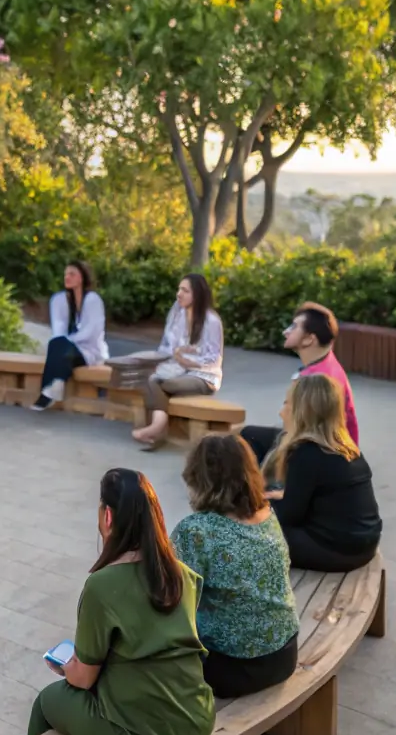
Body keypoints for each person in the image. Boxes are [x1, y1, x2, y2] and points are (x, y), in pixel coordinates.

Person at [28, 468, 215, 735]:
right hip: (198, 718)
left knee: (47, 701)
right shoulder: (181, 574)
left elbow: (84, 678)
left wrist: (67, 667)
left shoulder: (102, 586)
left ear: (109, 517)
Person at [171, 434, 299, 697]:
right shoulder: (266, 514)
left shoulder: (196, 531)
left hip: (232, 668)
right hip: (284, 654)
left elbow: (168, 601)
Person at [264, 374, 381, 572]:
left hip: (336, 552)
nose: (281, 413)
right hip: (363, 546)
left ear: (301, 412)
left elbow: (287, 516)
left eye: (286, 405)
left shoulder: (307, 453)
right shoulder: (346, 449)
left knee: (247, 529)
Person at [241, 302, 359, 467]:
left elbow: (303, 433)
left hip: (327, 453)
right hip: (330, 446)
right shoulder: (326, 361)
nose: (285, 331)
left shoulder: (318, 379)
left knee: (249, 437)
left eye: (294, 327)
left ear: (310, 338)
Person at [132, 273, 223, 449]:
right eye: (179, 289)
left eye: (185, 290)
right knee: (150, 376)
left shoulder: (211, 321)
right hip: (178, 370)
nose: (179, 294)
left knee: (158, 382)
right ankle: (158, 428)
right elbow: (168, 346)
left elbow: (213, 358)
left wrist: (185, 360)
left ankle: (157, 427)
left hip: (203, 376)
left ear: (197, 295)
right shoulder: (178, 314)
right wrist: (161, 359)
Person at [30, 261, 109, 412]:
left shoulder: (93, 300)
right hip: (68, 349)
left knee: (61, 346)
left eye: (72, 274)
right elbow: (58, 330)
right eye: (65, 274)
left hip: (90, 351)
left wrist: (68, 341)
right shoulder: (59, 300)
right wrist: (64, 341)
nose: (67, 277)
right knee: (56, 344)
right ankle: (55, 384)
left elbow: (92, 332)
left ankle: (48, 393)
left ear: (81, 278)